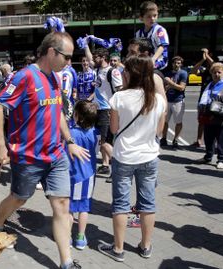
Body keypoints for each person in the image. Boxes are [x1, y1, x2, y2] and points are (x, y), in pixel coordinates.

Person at [0, 31, 89, 269]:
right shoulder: (24, 77)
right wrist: (1, 146)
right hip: (28, 158)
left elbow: (58, 113)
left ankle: (66, 262)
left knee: (62, 206)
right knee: (19, 198)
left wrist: (69, 141)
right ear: (52, 52)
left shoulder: (55, 78)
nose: (69, 63)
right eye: (67, 57)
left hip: (56, 155)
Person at [98, 55, 166, 262]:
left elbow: (114, 129)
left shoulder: (119, 98)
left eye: (125, 71)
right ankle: (145, 246)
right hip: (149, 156)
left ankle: (118, 249)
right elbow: (160, 131)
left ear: (130, 74)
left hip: (124, 156)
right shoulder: (159, 99)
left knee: (120, 204)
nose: (123, 73)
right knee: (148, 203)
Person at [84, 46, 123, 181]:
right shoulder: (98, 69)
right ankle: (109, 167)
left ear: (103, 58)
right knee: (100, 142)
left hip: (107, 110)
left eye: (96, 58)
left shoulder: (113, 72)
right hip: (98, 110)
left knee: (106, 143)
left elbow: (120, 91)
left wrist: (115, 111)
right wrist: (85, 45)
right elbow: (89, 59)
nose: (93, 60)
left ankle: (119, 170)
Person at [67, 100, 99, 250]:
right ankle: (80, 237)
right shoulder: (94, 133)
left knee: (69, 208)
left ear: (77, 115)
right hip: (89, 175)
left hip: (73, 175)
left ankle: (66, 237)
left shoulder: (71, 134)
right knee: (84, 208)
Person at [196, 63, 223, 169]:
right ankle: (208, 157)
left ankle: (221, 159)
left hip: (220, 117)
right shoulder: (209, 85)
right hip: (208, 115)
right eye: (214, 72)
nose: (216, 74)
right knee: (208, 138)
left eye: (219, 72)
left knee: (220, 139)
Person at [160, 56, 188, 148]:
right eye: (175, 63)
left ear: (181, 64)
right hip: (167, 100)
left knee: (178, 122)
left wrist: (170, 84)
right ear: (172, 64)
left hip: (178, 100)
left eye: (179, 63)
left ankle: (175, 139)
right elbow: (164, 87)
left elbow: (181, 88)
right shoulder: (168, 73)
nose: (176, 65)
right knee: (165, 121)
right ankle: (163, 138)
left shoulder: (183, 73)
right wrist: (167, 86)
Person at [190, 48, 214, 148]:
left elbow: (213, 63)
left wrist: (207, 54)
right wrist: (202, 60)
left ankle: (212, 142)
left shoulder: (215, 71)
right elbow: (193, 71)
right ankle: (199, 140)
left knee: (213, 122)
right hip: (203, 100)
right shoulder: (204, 71)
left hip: (213, 101)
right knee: (201, 121)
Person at [135, 1, 169, 70]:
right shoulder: (138, 33)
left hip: (159, 61)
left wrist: (153, 59)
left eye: (155, 15)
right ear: (141, 18)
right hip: (146, 61)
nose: (152, 18)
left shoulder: (159, 30)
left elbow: (162, 46)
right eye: (149, 16)